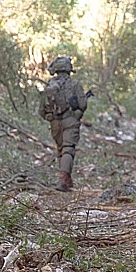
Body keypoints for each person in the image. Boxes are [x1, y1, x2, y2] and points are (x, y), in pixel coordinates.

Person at [39, 56, 87, 192]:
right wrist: (77, 113)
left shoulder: (49, 86)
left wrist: (50, 117)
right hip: (70, 120)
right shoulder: (75, 84)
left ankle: (66, 179)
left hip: (55, 123)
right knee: (68, 149)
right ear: (69, 69)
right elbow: (83, 104)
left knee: (61, 149)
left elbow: (41, 109)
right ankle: (63, 179)